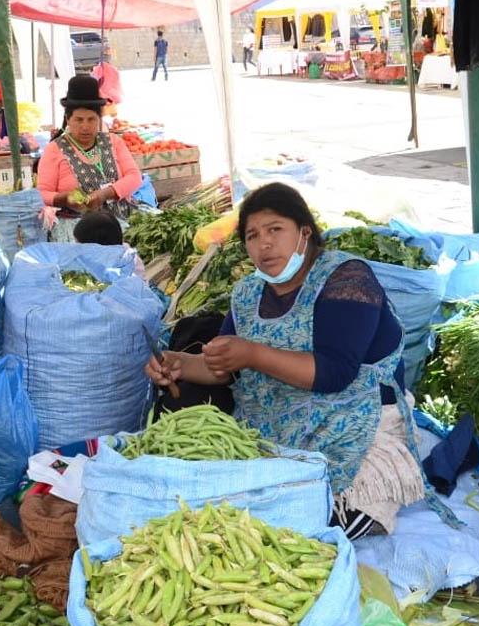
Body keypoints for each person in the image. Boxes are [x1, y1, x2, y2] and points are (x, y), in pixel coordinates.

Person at [144, 183, 457, 538]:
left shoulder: (345, 278)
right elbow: (221, 369)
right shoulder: (247, 292)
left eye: (275, 229)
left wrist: (252, 353)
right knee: (220, 512)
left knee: (310, 523)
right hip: (270, 424)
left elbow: (334, 373)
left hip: (355, 420)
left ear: (305, 232)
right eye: (252, 236)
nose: (264, 244)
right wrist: (179, 363)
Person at [36, 75, 142, 241]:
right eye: (78, 120)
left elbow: (134, 177)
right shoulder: (54, 149)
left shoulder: (113, 141)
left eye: (91, 119)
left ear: (99, 120)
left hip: (122, 218)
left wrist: (105, 194)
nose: (85, 126)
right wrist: (64, 198)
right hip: (77, 228)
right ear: (67, 120)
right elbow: (42, 193)